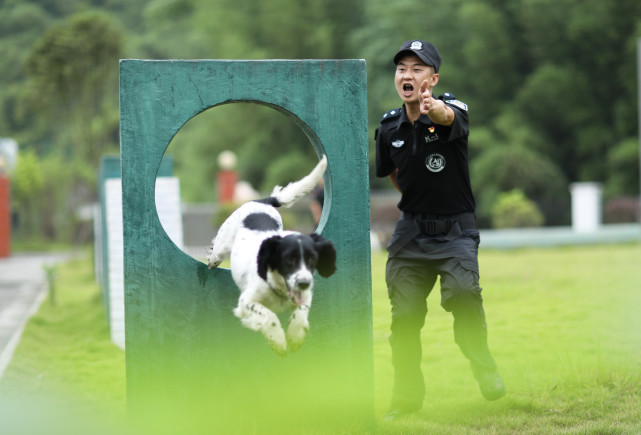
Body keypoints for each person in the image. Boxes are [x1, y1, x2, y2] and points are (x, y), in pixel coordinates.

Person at [375, 39, 506, 420]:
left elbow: (450, 118)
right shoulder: (388, 127)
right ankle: (406, 400)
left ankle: (483, 364)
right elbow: (395, 174)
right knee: (403, 321)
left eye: (418, 69)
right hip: (411, 235)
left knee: (464, 295)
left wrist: (436, 109)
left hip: (456, 233)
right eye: (402, 68)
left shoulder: (453, 109)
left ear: (433, 78)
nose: (408, 75)